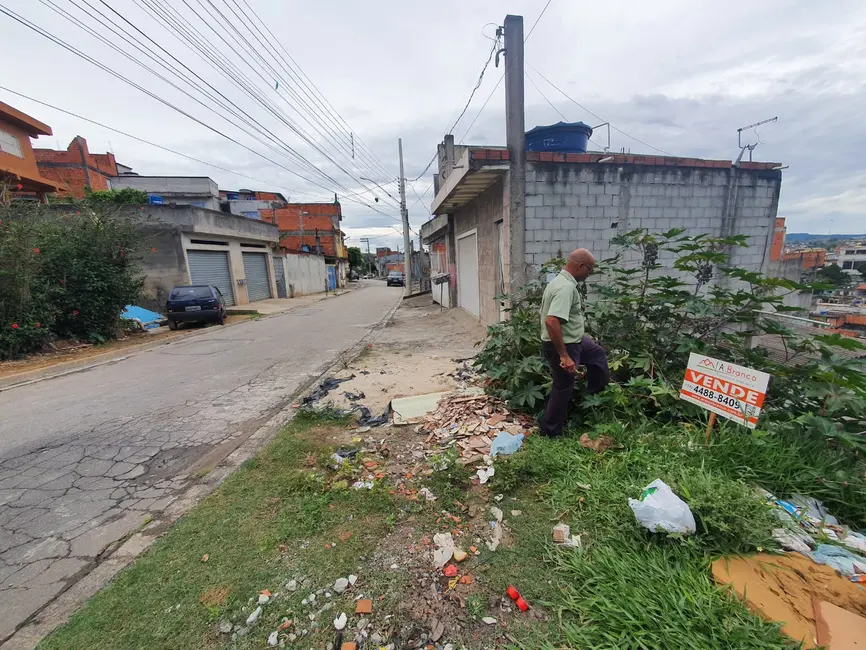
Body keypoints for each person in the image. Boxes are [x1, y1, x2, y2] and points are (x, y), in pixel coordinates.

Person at [539, 248, 610, 437]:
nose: (589, 274)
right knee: (563, 387)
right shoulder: (565, 288)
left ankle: (593, 396)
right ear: (580, 266)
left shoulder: (561, 281)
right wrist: (564, 355)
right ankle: (550, 431)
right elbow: (551, 321)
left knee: (597, 355)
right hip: (565, 345)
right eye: (589, 269)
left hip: (575, 341)